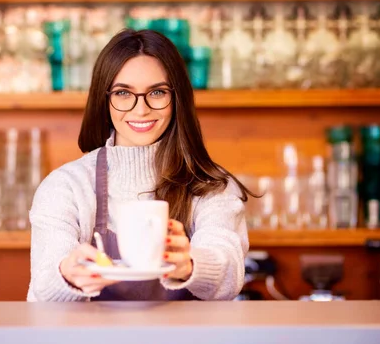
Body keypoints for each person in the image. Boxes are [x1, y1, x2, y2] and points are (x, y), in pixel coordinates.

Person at [27, 29, 251, 302]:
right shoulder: (66, 186)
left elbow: (227, 272)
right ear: (104, 99)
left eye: (157, 92)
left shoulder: (211, 187)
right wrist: (67, 275)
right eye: (123, 93)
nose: (141, 109)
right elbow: (43, 286)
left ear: (177, 98)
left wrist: (189, 264)